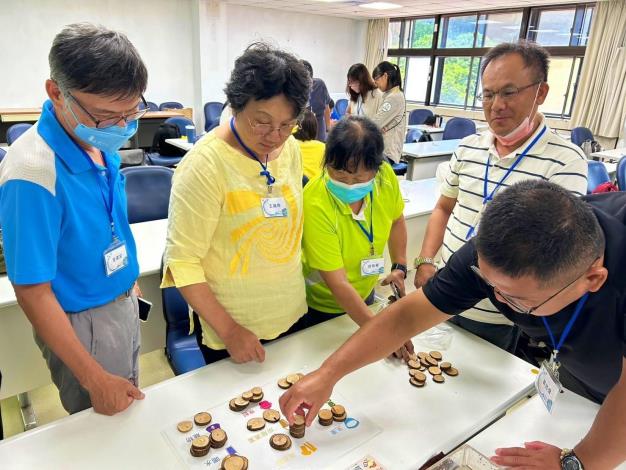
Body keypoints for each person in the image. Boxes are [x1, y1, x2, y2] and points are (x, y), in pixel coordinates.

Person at [281, 180, 626, 470]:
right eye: (492, 288)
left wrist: (577, 462)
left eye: (518, 300)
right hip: (578, 379)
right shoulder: (507, 248)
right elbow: (407, 316)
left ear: (593, 279)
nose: (499, 301)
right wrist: (329, 373)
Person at [0, 23, 148, 415]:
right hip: (82, 325)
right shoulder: (31, 172)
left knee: (128, 410)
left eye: (131, 112)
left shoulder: (98, 141)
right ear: (55, 93)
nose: (120, 127)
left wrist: (126, 282)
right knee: (103, 423)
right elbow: (32, 290)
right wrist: (93, 377)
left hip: (120, 302)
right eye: (106, 115)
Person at [413, 41, 588, 353]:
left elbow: (554, 251)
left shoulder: (566, 161)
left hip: (499, 315)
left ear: (541, 92)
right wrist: (426, 260)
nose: (496, 105)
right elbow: (443, 208)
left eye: (509, 92)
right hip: (443, 291)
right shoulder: (468, 147)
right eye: (488, 94)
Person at [161, 43, 311, 365]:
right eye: (263, 122)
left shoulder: (292, 150)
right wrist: (230, 331)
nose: (275, 135)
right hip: (233, 331)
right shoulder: (205, 165)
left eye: (287, 125)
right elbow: (182, 261)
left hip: (290, 311)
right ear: (237, 104)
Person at [301, 116, 413, 360]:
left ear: (377, 168)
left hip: (365, 294)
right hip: (323, 306)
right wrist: (381, 335)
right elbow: (338, 283)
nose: (349, 185)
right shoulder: (315, 201)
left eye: (360, 178)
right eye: (339, 175)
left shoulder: (385, 179)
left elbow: (396, 220)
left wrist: (399, 265)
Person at [371, 61, 407, 164]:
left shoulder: (394, 97)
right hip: (384, 150)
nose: (375, 83)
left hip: (387, 152)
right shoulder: (390, 95)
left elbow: (376, 123)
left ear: (385, 76)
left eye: (376, 79)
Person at [302, 60, 331, 142]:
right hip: (301, 126)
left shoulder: (319, 85)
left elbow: (326, 107)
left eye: (309, 83)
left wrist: (328, 128)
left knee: (320, 147)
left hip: (318, 123)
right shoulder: (292, 88)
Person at [294, 110, 325, 181]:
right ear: (314, 128)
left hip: (291, 187)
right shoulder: (322, 147)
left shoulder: (287, 144)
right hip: (312, 187)